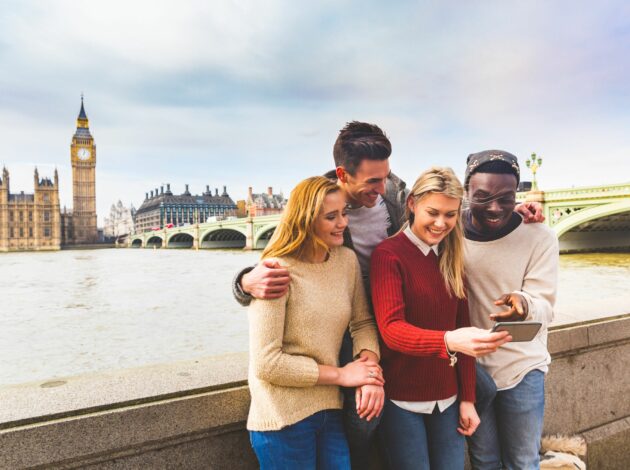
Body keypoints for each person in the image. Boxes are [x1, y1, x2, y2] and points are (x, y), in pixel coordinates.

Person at [233, 121, 544, 468]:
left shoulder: (395, 195)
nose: (382, 188)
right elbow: (288, 249)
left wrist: (501, 209)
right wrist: (244, 281)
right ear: (343, 174)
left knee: (481, 389)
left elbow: (437, 207)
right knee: (364, 415)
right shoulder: (320, 203)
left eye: (386, 176)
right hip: (354, 319)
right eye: (372, 181)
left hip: (378, 314)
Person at [370, 167, 511, 469]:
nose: (441, 223)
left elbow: (464, 334)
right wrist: (449, 341)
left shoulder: (452, 258)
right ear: (412, 204)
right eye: (432, 212)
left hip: (448, 399)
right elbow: (391, 331)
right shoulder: (388, 254)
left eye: (450, 215)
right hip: (401, 400)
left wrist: (468, 399)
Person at [247, 176, 384, 469]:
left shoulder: (346, 260)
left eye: (344, 213)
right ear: (306, 220)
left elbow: (362, 323)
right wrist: (342, 375)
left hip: (330, 411)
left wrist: (368, 370)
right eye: (331, 217)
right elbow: (267, 363)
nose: (343, 223)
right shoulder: (276, 271)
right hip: (282, 418)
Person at [462, 150, 558, 470]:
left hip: (522, 367)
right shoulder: (446, 233)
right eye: (483, 196)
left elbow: (545, 304)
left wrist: (524, 304)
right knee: (484, 461)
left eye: (506, 198)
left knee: (522, 461)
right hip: (471, 369)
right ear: (465, 193)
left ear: (516, 193)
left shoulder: (539, 236)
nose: (494, 207)